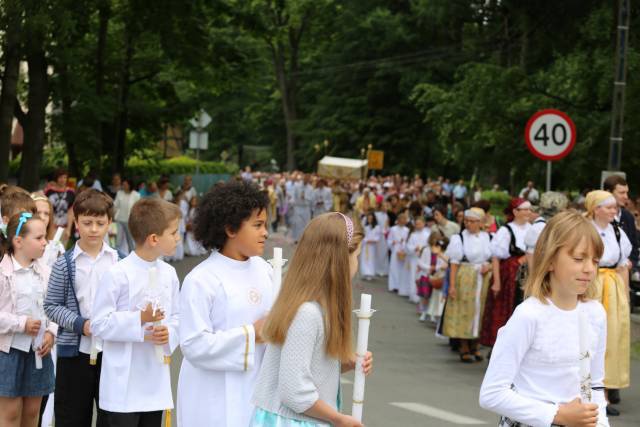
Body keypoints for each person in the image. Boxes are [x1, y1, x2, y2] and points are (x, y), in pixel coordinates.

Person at [479, 211, 608, 427]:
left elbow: (594, 385)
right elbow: (492, 393)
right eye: (578, 258)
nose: (589, 269)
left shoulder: (595, 313)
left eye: (595, 261)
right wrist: (557, 414)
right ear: (549, 261)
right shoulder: (529, 315)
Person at [250, 212, 372, 426]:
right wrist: (338, 419)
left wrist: (344, 363)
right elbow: (293, 390)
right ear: (342, 259)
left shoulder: (317, 307)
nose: (357, 263)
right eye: (357, 255)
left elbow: (305, 367)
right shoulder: (307, 313)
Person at [177, 180, 273, 427]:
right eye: (258, 225)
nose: (265, 233)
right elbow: (193, 344)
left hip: (256, 390)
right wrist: (252, 334)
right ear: (230, 229)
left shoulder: (266, 271)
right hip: (212, 397)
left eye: (265, 225)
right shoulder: (202, 280)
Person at [91, 198, 181, 426]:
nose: (179, 238)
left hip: (155, 379)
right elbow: (99, 323)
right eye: (174, 232)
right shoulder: (118, 274)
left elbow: (179, 317)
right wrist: (140, 320)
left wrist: (169, 332)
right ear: (154, 239)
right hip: (123, 383)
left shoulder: (169, 274)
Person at [44, 189, 120, 427]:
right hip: (74, 355)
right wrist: (81, 324)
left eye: (100, 222)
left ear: (109, 223)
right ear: (76, 223)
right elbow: (52, 305)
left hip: (112, 353)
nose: (94, 229)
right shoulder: (64, 264)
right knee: (72, 416)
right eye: (87, 223)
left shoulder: (120, 261)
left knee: (111, 416)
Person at [0, 212, 56, 427]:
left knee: (33, 413)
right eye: (39, 238)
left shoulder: (47, 272)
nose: (45, 243)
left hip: (38, 351)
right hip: (8, 352)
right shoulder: (3, 273)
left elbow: (55, 308)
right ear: (18, 241)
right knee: (11, 414)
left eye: (45, 237)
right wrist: (21, 323)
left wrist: (51, 332)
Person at [585, 190, 631, 417]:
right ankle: (586, 390)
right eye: (610, 207)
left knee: (609, 339)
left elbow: (622, 266)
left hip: (611, 287)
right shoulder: (585, 230)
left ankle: (603, 392)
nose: (614, 211)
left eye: (615, 207)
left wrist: (625, 296)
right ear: (595, 209)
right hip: (590, 284)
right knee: (587, 336)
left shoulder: (617, 231)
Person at [601, 175, 636, 408]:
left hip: (615, 281)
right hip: (597, 283)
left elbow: (632, 248)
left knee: (614, 334)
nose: (625, 198)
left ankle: (611, 386)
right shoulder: (591, 226)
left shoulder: (625, 222)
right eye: (621, 193)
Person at [442, 208, 493, 363]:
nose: (468, 224)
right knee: (464, 310)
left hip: (483, 277)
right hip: (465, 276)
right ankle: (464, 346)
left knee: (481, 310)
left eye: (472, 221)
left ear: (480, 223)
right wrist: (451, 286)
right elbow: (454, 263)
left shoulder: (488, 237)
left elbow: (494, 258)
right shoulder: (459, 238)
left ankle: (476, 345)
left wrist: (489, 266)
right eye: (466, 221)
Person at [481, 198, 531, 348]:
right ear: (515, 212)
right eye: (525, 209)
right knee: (506, 310)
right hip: (509, 276)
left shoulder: (532, 229)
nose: (529, 212)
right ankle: (501, 345)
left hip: (528, 274)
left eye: (530, 209)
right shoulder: (506, 230)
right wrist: (496, 282)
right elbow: (496, 257)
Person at [524, 191, 568, 269]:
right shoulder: (539, 227)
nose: (565, 210)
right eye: (563, 208)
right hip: (539, 273)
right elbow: (531, 256)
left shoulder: (553, 224)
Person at [416, 232, 448, 322]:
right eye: (434, 239)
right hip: (426, 275)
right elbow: (420, 262)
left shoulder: (441, 251)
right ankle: (424, 312)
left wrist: (436, 268)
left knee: (433, 296)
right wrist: (429, 268)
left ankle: (432, 314)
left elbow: (442, 264)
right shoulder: (426, 250)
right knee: (425, 295)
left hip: (436, 276)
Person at [44, 169, 76, 243]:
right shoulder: (49, 191)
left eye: (65, 177)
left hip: (64, 226)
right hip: (51, 226)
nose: (63, 180)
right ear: (56, 178)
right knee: (49, 248)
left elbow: (71, 211)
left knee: (62, 251)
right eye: (60, 177)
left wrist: (68, 228)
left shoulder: (70, 192)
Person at [406, 216, 430, 303]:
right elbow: (408, 246)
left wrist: (423, 249)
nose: (418, 225)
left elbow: (429, 247)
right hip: (414, 259)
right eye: (416, 224)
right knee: (413, 276)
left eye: (419, 224)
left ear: (424, 224)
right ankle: (413, 295)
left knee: (421, 277)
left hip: (423, 259)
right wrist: (414, 248)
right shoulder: (413, 235)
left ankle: (421, 295)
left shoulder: (427, 235)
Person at [113, 177, 140, 255]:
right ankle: (116, 256)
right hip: (119, 220)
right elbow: (115, 205)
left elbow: (137, 209)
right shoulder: (119, 193)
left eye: (125, 185)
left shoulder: (136, 195)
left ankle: (133, 257)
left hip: (130, 221)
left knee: (131, 241)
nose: (123, 186)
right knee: (117, 241)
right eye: (123, 184)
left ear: (130, 185)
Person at [387, 213, 409, 294]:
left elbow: (407, 241)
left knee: (401, 268)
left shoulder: (407, 230)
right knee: (394, 268)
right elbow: (389, 240)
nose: (403, 221)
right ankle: (393, 285)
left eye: (404, 219)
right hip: (395, 249)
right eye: (401, 219)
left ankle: (400, 286)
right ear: (398, 220)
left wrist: (404, 246)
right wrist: (392, 242)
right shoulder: (393, 229)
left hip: (403, 250)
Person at [359, 211, 381, 281]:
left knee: (371, 259)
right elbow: (363, 236)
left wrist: (373, 240)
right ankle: (365, 272)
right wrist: (366, 240)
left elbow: (378, 236)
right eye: (368, 219)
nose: (370, 220)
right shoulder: (365, 227)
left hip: (373, 246)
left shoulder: (377, 227)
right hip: (366, 245)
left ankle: (370, 273)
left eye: (371, 218)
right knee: (365, 259)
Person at [373, 202, 390, 276]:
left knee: (384, 253)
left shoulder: (387, 216)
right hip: (377, 235)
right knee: (377, 252)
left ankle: (383, 269)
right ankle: (376, 269)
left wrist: (386, 231)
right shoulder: (377, 214)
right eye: (383, 206)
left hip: (384, 237)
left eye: (386, 206)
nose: (385, 208)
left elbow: (387, 226)